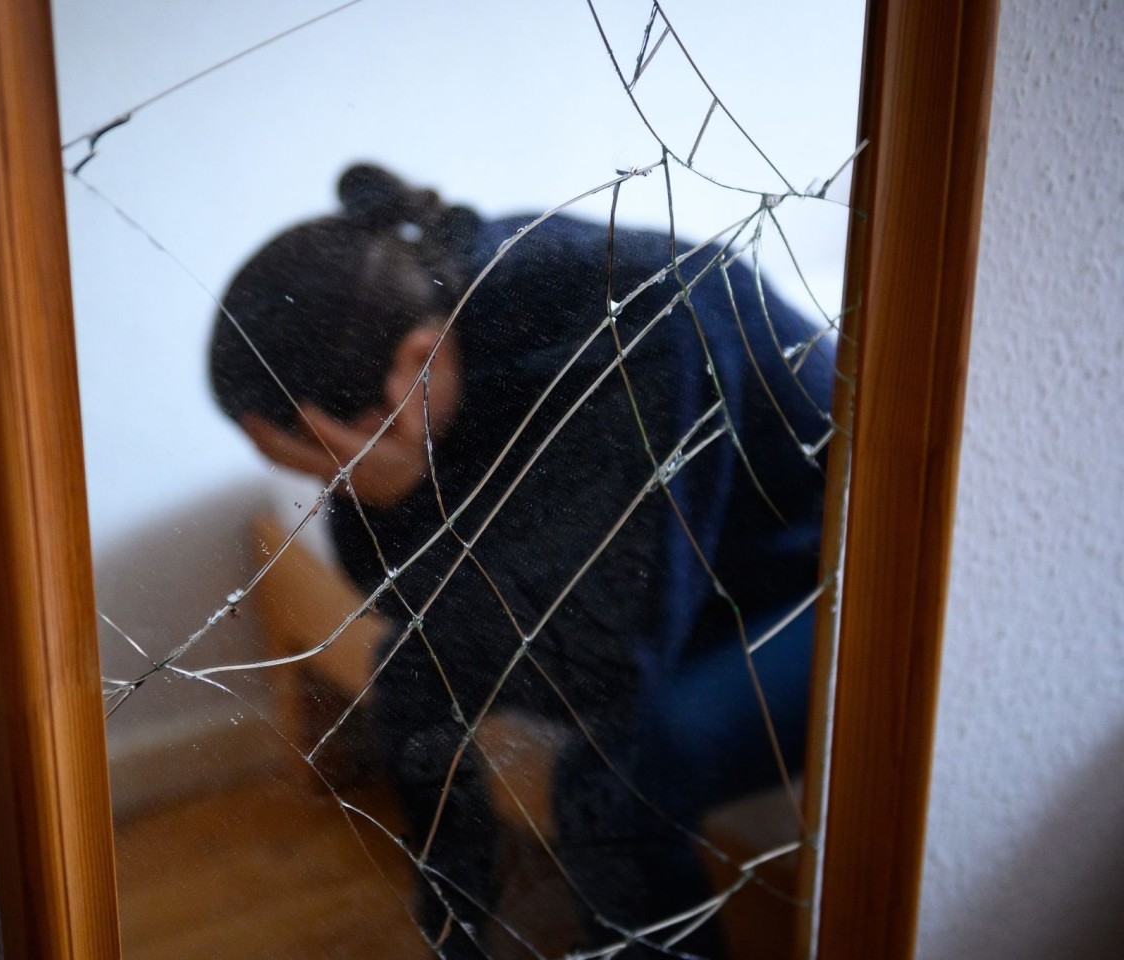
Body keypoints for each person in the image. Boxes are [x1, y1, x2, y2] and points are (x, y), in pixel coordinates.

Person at [208, 164, 833, 958]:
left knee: (615, 777)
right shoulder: (426, 317)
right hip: (691, 561)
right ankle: (459, 938)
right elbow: (404, 605)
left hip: (819, 563)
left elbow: (603, 668)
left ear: (417, 359)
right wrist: (383, 492)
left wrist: (399, 495)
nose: (333, 489)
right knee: (408, 673)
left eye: (330, 467)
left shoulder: (638, 318)